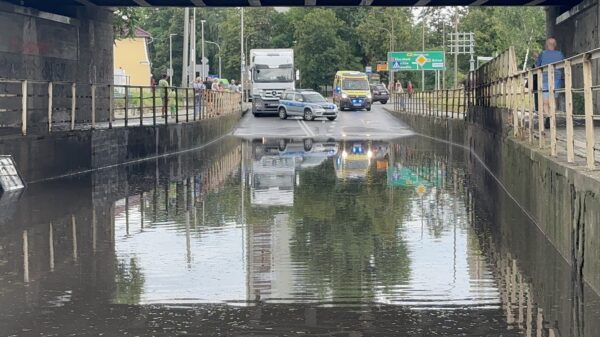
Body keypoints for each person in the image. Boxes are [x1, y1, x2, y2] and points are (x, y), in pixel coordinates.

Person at [535, 37, 565, 129]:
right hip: (556, 78)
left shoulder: (542, 54)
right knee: (553, 100)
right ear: (555, 45)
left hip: (544, 78)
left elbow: (537, 66)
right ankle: (552, 119)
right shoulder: (560, 54)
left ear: (547, 45)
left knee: (545, 102)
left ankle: (548, 117)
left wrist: (536, 58)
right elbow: (564, 64)